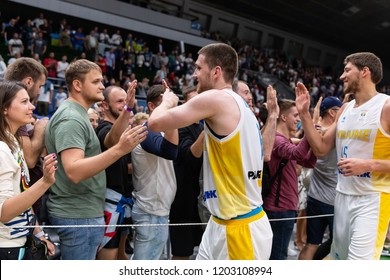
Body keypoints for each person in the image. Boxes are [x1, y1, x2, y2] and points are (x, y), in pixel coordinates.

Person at [148, 43, 279, 260]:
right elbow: (264, 154)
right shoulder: (242, 107)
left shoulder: (218, 99)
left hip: (240, 228)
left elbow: (155, 123)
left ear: (216, 71)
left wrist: (167, 102)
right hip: (221, 222)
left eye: (199, 68)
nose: (194, 74)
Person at [44, 59, 147, 260]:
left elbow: (109, 141)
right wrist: (120, 150)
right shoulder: (71, 118)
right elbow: (74, 171)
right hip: (78, 215)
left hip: (82, 213)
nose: (102, 86)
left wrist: (127, 109)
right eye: (96, 81)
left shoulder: (76, 114)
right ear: (77, 85)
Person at [295, 52, 390, 260]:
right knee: (339, 260)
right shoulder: (345, 108)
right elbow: (320, 148)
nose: (341, 76)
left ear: (365, 71)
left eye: (347, 70)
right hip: (341, 196)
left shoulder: (386, 107)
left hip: (372, 199)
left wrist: (368, 164)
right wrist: (304, 114)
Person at [0, 81, 56, 260]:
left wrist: (39, 234)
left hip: (18, 241)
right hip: (6, 246)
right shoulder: (2, 149)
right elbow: (4, 212)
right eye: (24, 102)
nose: (32, 106)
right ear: (4, 109)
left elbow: (23, 195)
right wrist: (44, 182)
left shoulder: (14, 143)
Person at [263, 99, 316, 260]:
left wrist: (314, 141)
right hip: (279, 209)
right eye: (296, 115)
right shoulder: (277, 140)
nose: (299, 119)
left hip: (284, 207)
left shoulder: (284, 140)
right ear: (284, 118)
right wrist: (310, 130)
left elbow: (308, 161)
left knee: (278, 255)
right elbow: (298, 154)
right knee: (278, 257)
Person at [131, 84, 178, 260]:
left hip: (157, 211)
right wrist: (172, 113)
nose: (172, 108)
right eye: (165, 104)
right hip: (151, 212)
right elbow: (169, 152)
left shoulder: (164, 132)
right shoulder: (146, 130)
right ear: (151, 106)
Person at [95, 83, 140, 260]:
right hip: (109, 204)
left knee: (120, 255)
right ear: (104, 105)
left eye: (126, 101)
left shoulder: (124, 131)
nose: (124, 104)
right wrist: (128, 108)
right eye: (119, 101)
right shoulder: (103, 128)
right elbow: (113, 142)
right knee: (108, 257)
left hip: (122, 202)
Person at [298, 96, 342, 260]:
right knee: (337, 244)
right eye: (341, 110)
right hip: (333, 201)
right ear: (332, 112)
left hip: (315, 197)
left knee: (311, 244)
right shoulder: (337, 133)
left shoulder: (313, 130)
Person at [169, 86, 204, 260]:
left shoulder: (200, 126)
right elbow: (191, 155)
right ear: (185, 104)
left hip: (201, 199)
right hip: (183, 201)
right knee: (182, 253)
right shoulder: (180, 126)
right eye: (195, 102)